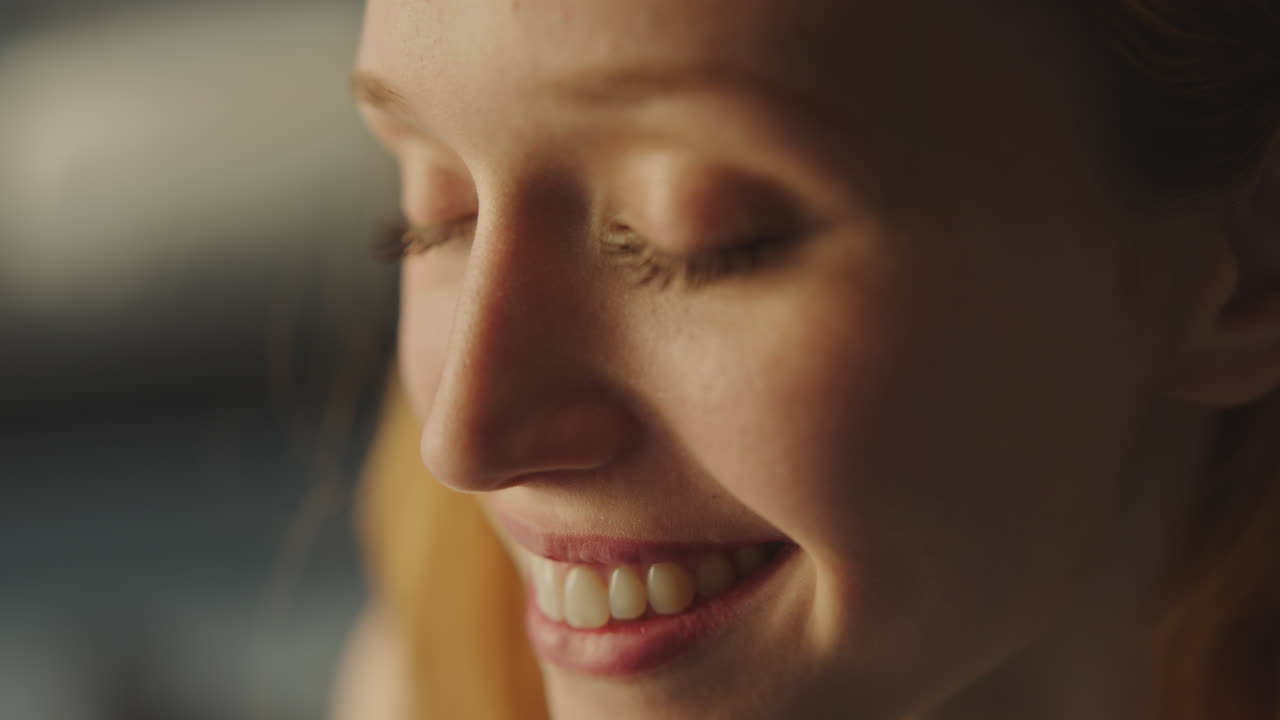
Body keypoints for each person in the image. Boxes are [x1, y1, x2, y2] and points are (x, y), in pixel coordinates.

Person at [335, 1, 1280, 718]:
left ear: (1252, 258)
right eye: (433, 218)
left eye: (702, 240)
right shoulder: (442, 656)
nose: (461, 441)